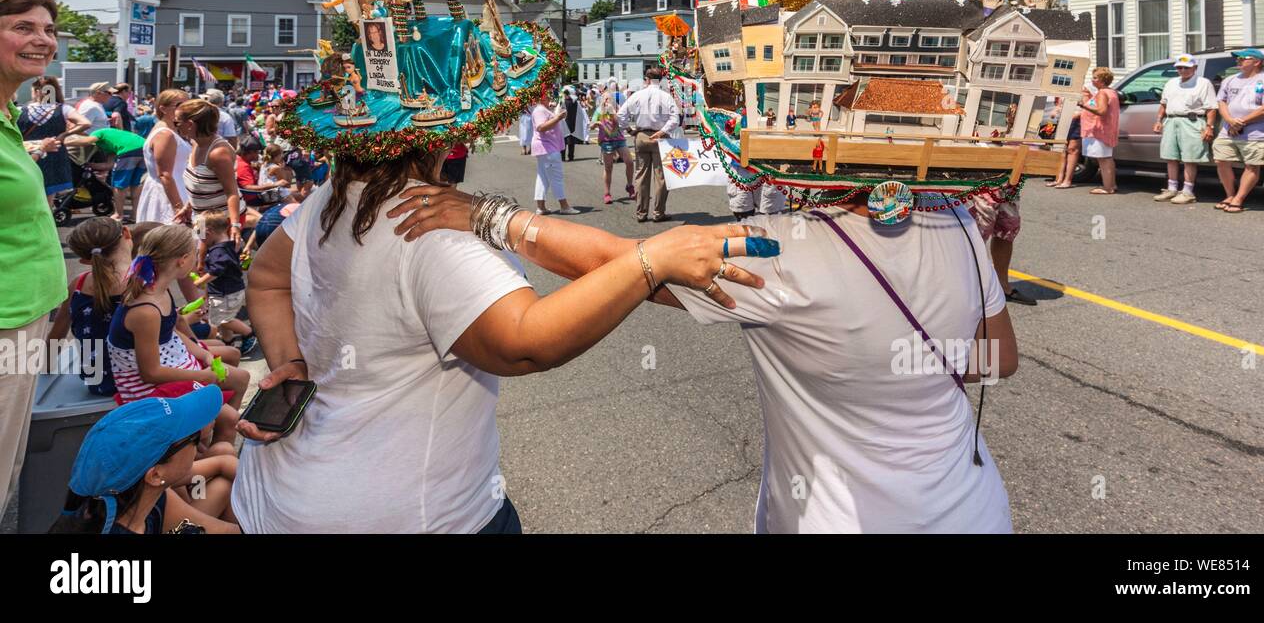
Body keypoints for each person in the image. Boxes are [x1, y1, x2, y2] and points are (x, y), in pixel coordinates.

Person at [391, 180, 1018, 533]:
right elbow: (1000, 358)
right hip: (974, 511)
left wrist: (494, 217)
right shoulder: (961, 224)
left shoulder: (790, 251)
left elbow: (625, 263)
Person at [231, 149, 756, 533]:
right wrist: (650, 261)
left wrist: (290, 362)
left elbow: (266, 277)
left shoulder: (332, 195)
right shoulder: (429, 228)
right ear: (441, 141)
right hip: (410, 516)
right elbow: (524, 343)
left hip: (281, 495)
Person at [0, 0, 68, 518]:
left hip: (27, 317)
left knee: (10, 469)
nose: (42, 39)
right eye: (23, 27)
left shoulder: (7, 115)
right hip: (4, 322)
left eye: (48, 29)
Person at [106, 224, 249, 448]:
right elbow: (150, 373)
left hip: (171, 365)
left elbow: (171, 334)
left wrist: (203, 354)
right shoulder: (146, 309)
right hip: (149, 391)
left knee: (241, 378)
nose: (197, 258)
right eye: (194, 252)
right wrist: (203, 377)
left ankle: (208, 442)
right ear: (182, 260)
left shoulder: (158, 289)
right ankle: (208, 450)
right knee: (230, 417)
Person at [49, 385, 240, 534]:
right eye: (194, 438)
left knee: (223, 487)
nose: (198, 445)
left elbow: (230, 531)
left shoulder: (147, 497)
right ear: (155, 475)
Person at [48, 216, 131, 397]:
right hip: (136, 383)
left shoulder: (78, 285)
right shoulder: (140, 283)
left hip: (98, 382)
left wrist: (45, 367)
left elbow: (57, 335)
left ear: (85, 260)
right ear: (126, 233)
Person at [1213, 48, 1264, 213]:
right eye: (1238, 58)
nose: (1239, 61)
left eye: (1244, 58)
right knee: (1221, 160)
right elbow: (1221, 102)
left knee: (1252, 165)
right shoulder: (1229, 80)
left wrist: (1242, 122)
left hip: (1257, 131)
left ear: (1257, 62)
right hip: (1229, 129)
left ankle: (1239, 199)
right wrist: (1230, 120)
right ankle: (1229, 195)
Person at [177, 98, 253, 240]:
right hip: (200, 217)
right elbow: (199, 184)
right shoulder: (195, 143)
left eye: (177, 122)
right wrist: (188, 206)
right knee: (199, 256)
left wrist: (235, 226)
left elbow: (232, 193)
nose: (176, 126)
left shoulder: (218, 153)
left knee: (216, 260)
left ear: (190, 125)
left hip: (223, 221)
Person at [1152, 54, 1218, 205]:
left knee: (1190, 158)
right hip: (1171, 120)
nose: (1183, 70)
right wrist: (1158, 121)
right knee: (1170, 156)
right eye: (1179, 67)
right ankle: (1172, 188)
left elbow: (1211, 108)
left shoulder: (1203, 83)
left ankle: (1188, 192)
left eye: (1186, 67)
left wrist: (1209, 127)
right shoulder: (1171, 83)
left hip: (1192, 121)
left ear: (1194, 67)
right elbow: (1163, 104)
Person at [617, 67, 679, 223]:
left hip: (642, 135)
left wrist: (629, 130)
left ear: (647, 79)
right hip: (660, 137)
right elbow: (675, 119)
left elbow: (621, 116)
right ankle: (659, 212)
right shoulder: (666, 96)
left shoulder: (637, 95)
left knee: (641, 175)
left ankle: (641, 212)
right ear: (661, 80)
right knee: (661, 177)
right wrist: (663, 130)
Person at [18, 76, 90, 205]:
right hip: (53, 153)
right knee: (48, 199)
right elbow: (85, 123)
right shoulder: (63, 108)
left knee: (25, 193)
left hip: (27, 153)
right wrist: (64, 134)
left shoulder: (21, 110)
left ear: (36, 91)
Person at [193, 212, 257, 354]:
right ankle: (227, 341)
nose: (198, 238)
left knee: (221, 320)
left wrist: (201, 282)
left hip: (227, 292)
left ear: (209, 232)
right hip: (228, 290)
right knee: (222, 319)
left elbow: (217, 270)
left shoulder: (219, 251)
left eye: (199, 233)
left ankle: (248, 333)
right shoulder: (228, 245)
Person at [135, 88, 191, 225]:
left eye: (188, 105)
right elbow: (165, 174)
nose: (185, 109)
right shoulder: (165, 134)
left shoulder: (171, 131)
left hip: (177, 188)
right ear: (163, 109)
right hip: (168, 193)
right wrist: (178, 207)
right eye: (179, 105)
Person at [85, 125, 147, 222]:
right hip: (144, 147)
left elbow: (86, 141)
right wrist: (90, 165)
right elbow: (109, 165)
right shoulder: (113, 140)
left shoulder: (98, 133)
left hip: (127, 150)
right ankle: (136, 215)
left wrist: (65, 139)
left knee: (119, 185)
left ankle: (118, 215)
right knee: (135, 184)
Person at [529, 96, 577, 214]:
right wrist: (558, 118)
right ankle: (564, 206)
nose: (550, 96)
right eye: (547, 94)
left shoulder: (541, 109)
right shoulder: (539, 110)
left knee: (543, 177)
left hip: (545, 148)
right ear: (542, 97)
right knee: (556, 176)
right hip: (547, 148)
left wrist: (555, 114)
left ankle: (541, 207)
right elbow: (541, 127)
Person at [1077, 68, 1120, 195]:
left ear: (1102, 80)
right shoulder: (1110, 92)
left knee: (1103, 160)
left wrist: (1083, 105)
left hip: (1099, 131)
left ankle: (1107, 188)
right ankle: (1112, 184)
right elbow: (1098, 105)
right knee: (1108, 159)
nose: (1092, 79)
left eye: (1095, 78)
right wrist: (1088, 97)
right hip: (1106, 130)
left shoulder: (1102, 93)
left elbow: (1101, 110)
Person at [592, 87, 635, 205]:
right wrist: (595, 124)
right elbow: (591, 125)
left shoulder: (616, 109)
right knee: (608, 167)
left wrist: (612, 112)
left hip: (619, 139)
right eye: (605, 99)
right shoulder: (599, 111)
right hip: (606, 141)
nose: (607, 101)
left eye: (609, 99)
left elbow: (619, 122)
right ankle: (607, 193)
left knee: (630, 162)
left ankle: (630, 186)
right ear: (602, 100)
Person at [561, 85, 589, 162]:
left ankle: (562, 157)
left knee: (563, 141)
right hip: (573, 123)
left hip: (564, 123)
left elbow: (558, 112)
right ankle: (571, 156)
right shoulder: (576, 103)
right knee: (571, 141)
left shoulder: (563, 102)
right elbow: (581, 114)